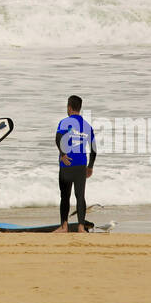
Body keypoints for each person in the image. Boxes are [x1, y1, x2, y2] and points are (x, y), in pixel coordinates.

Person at [53, 95, 96, 233]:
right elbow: (94, 150)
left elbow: (58, 139)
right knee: (80, 196)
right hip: (80, 165)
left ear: (69, 107)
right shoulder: (87, 126)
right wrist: (90, 166)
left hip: (67, 165)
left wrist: (63, 155)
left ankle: (64, 226)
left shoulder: (64, 122)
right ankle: (81, 227)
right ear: (80, 108)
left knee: (65, 196)